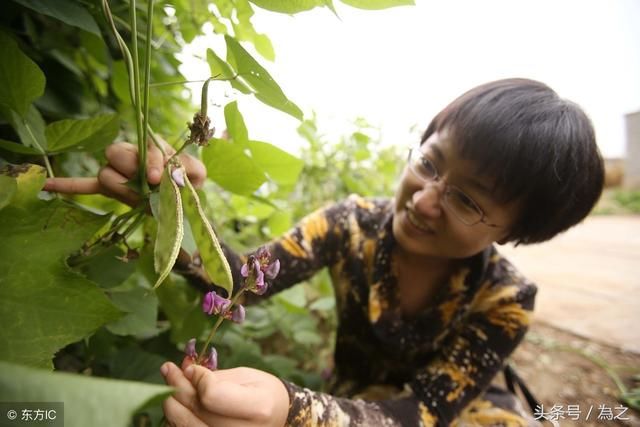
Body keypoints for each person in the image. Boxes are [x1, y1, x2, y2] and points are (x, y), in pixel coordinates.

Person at [44, 78, 604, 426]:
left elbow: (424, 412)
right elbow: (238, 280)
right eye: (430, 163)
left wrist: (294, 410)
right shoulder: (349, 224)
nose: (425, 200)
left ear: (513, 231)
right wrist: (172, 206)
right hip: (351, 405)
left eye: (465, 199)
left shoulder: (506, 298)